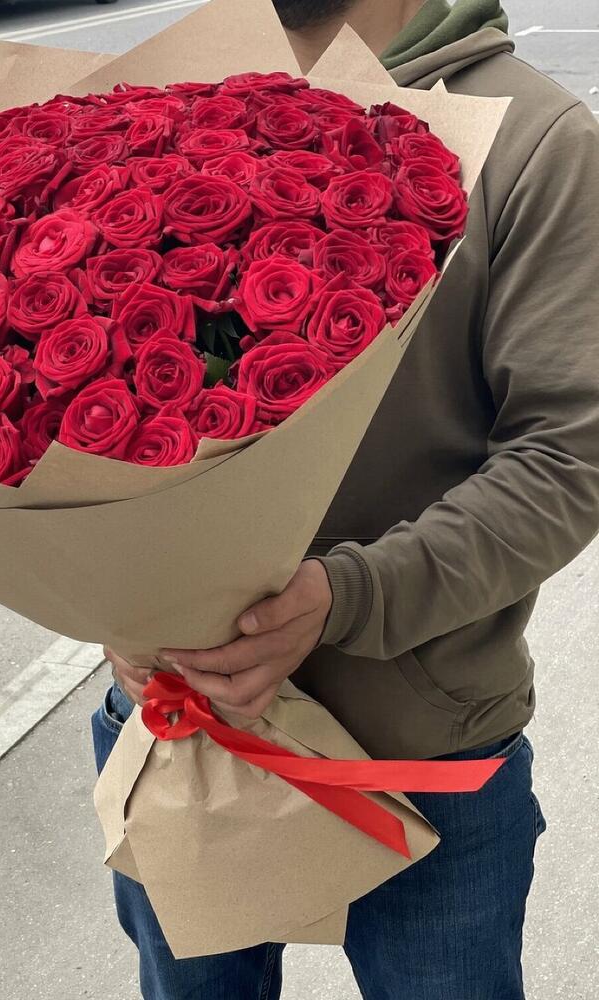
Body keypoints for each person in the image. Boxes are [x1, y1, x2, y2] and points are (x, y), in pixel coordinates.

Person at [96, 1, 599, 997]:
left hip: (422, 753)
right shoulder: (178, 106)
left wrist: (347, 596)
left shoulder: (534, 142)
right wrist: (107, 594)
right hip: (180, 721)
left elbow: (567, 456)